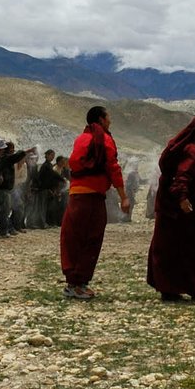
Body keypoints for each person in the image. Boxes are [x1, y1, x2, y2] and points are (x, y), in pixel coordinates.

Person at [147, 115, 195, 303]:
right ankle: (193, 288)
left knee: (174, 247)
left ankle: (175, 288)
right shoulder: (193, 152)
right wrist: (182, 198)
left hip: (176, 208)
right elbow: (182, 176)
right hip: (178, 209)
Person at [60, 105, 129, 299]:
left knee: (72, 237)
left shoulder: (81, 138)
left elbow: (74, 164)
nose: (110, 121)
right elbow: (113, 168)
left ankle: (71, 281)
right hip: (92, 198)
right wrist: (124, 196)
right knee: (91, 238)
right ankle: (78, 283)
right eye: (108, 118)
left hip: (75, 195)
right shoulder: (105, 140)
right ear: (100, 120)